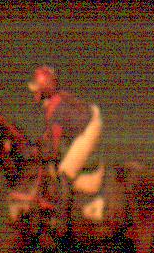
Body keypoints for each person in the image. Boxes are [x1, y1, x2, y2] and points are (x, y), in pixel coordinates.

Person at [29, 65, 104, 223]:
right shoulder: (52, 103)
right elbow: (50, 135)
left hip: (90, 127)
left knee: (65, 170)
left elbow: (54, 146)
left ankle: (62, 221)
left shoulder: (57, 108)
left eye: (38, 88)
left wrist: (41, 153)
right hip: (84, 124)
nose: (35, 92)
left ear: (46, 87)